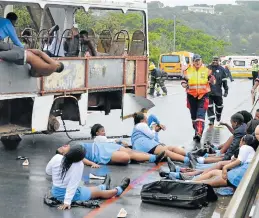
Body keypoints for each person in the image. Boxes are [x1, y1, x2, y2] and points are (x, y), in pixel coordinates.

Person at [46, 144, 130, 210]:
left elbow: (48, 172)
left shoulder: (56, 157)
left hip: (55, 191)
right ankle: (118, 190)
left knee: (88, 189)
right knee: (99, 194)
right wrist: (67, 202)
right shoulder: (78, 164)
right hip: (67, 194)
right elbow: (72, 184)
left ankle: (104, 186)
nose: (67, 146)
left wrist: (58, 175)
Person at [57, 124, 165, 167]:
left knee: (129, 152)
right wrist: (92, 164)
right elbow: (81, 159)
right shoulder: (72, 155)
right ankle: (148, 158)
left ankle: (154, 158)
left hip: (103, 147)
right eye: (62, 148)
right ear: (63, 154)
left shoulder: (75, 146)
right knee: (126, 156)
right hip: (100, 155)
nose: (63, 146)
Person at [181, 54, 215, 142]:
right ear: (193, 61)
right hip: (191, 96)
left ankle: (199, 133)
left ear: (201, 61)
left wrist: (212, 81)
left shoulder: (207, 70)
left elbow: (213, 80)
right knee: (194, 117)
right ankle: (196, 131)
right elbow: (184, 81)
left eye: (199, 60)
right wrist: (184, 84)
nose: (197, 62)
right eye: (196, 60)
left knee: (200, 114)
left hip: (203, 95)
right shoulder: (188, 70)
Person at [0, 42, 64, 77]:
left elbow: (40, 52)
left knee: (2, 47)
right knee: (3, 53)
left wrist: (28, 50)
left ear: (58, 65)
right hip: (22, 59)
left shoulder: (54, 65)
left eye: (57, 61)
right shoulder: (46, 74)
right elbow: (33, 74)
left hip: (23, 54)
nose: (55, 61)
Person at [207, 57, 229, 126]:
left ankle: (218, 116)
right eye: (214, 60)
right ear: (212, 60)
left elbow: (224, 81)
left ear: (219, 61)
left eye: (216, 60)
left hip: (218, 92)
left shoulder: (222, 69)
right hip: (208, 92)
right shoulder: (207, 68)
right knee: (209, 106)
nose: (215, 61)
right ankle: (211, 120)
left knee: (219, 107)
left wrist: (226, 91)